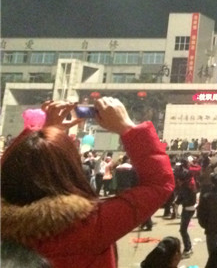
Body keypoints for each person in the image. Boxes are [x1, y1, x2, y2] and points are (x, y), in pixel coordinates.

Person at [0, 97, 173, 268]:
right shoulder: (91, 224)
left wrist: (38, 137)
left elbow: (9, 168)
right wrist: (127, 127)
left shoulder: (5, 224)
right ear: (71, 167)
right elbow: (159, 183)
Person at [174, 168, 198, 258]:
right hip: (191, 208)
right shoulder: (191, 184)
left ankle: (188, 248)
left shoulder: (185, 187)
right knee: (183, 229)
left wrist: (177, 202)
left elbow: (183, 198)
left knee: (183, 230)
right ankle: (188, 247)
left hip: (187, 209)